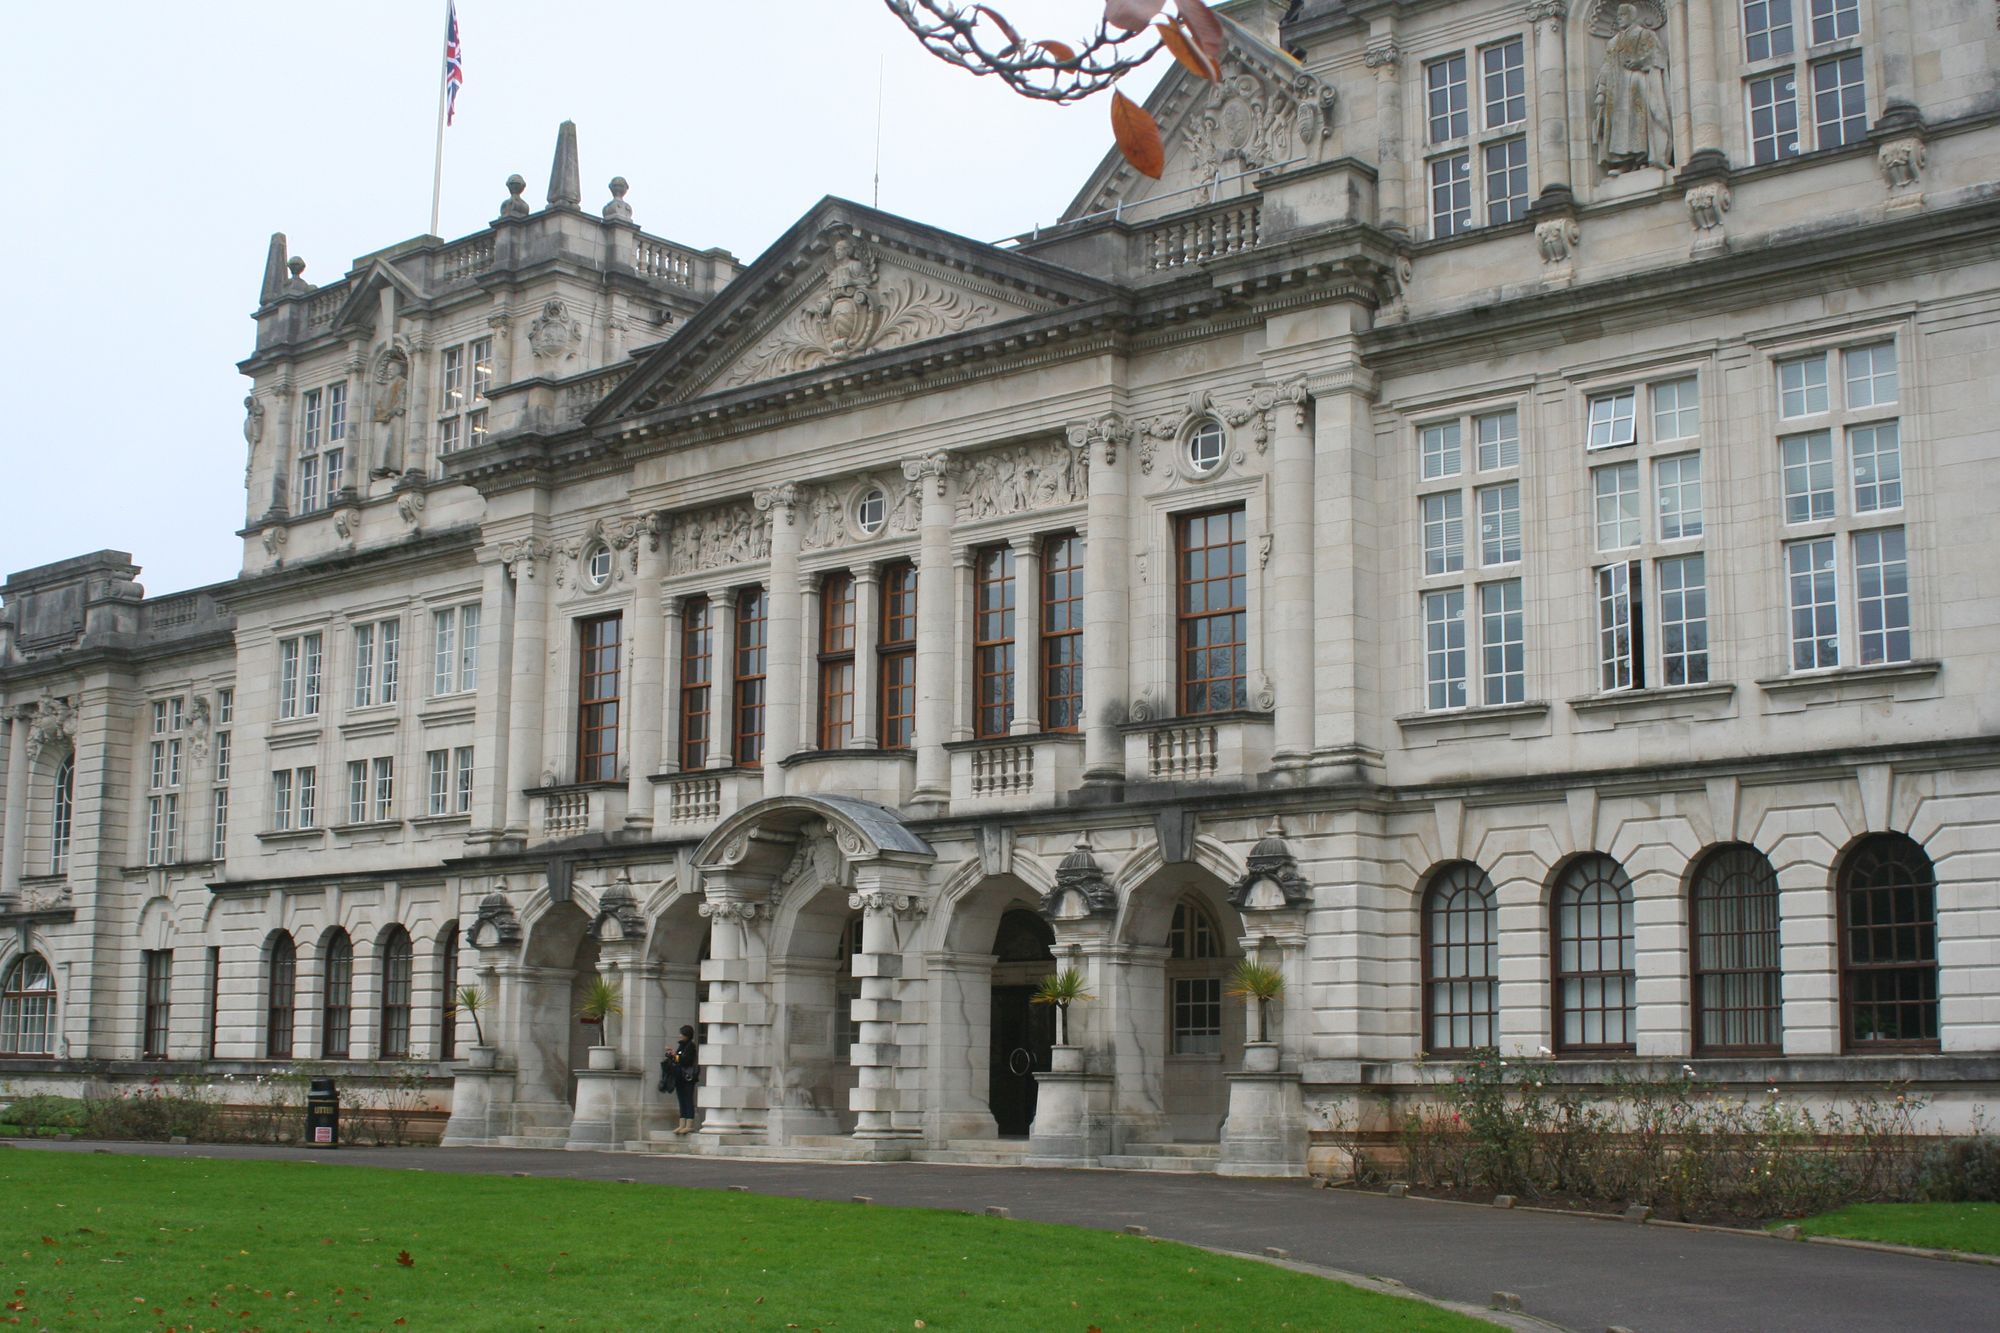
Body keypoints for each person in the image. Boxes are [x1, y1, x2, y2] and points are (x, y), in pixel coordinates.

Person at [671, 1024, 700, 1134]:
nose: (680, 1036)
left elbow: (685, 1060)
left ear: (687, 1035)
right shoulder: (681, 1046)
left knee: (688, 1099)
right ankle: (682, 1124)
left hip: (688, 1077)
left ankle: (689, 1124)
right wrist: (672, 1056)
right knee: (681, 1099)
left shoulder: (690, 1046)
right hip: (679, 1077)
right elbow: (678, 1059)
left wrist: (675, 1056)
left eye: (682, 1034)